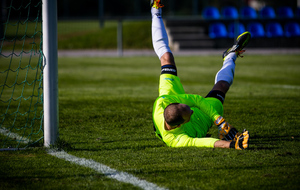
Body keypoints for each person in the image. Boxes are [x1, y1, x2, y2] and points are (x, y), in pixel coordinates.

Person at [151, 0, 250, 150]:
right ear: (182, 123)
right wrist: (232, 144)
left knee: (167, 58)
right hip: (198, 122)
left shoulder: (161, 103)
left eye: (186, 107)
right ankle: (231, 55)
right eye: (189, 112)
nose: (192, 108)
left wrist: (220, 122)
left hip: (171, 102)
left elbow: (196, 100)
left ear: (174, 103)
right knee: (222, 86)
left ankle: (155, 11)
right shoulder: (176, 140)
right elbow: (204, 142)